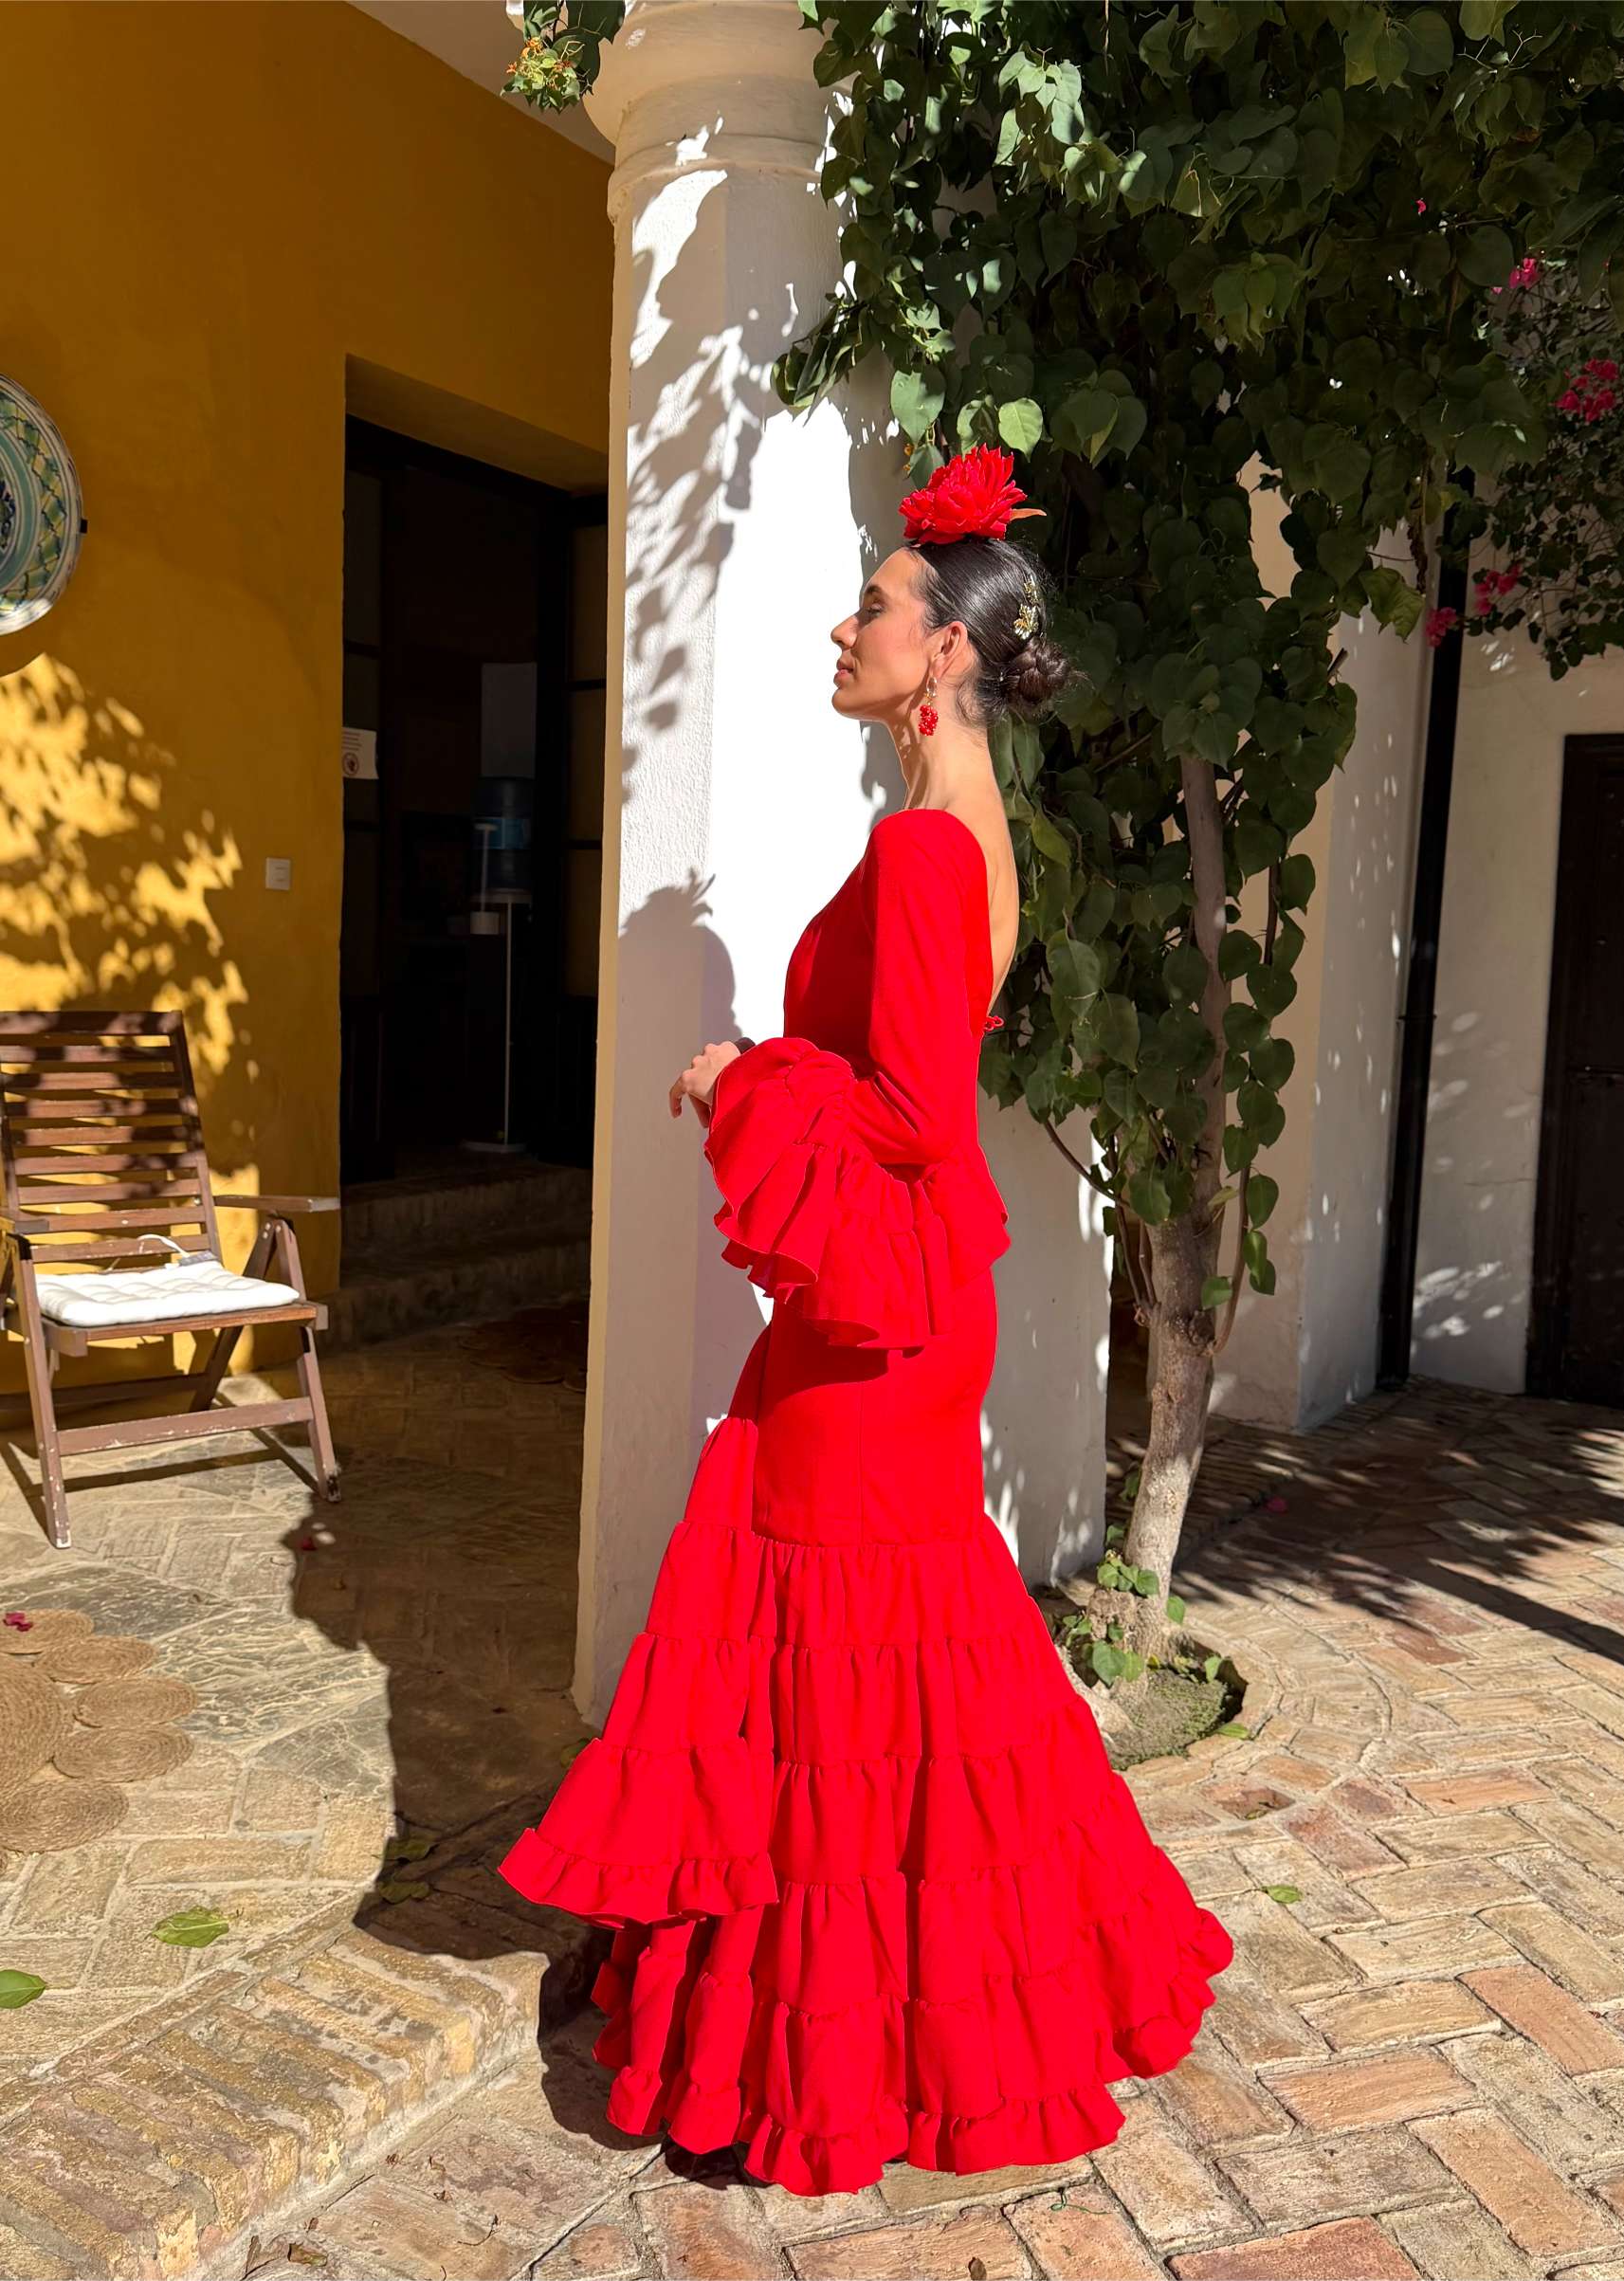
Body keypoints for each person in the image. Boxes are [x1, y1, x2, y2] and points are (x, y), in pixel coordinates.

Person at [496, 445, 1233, 2197]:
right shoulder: (976, 837)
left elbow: (905, 1110)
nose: (852, 626)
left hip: (880, 1332)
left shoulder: (922, 844)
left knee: (846, 1665)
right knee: (911, 1673)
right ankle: (938, 2007)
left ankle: (840, 2044)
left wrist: (747, 1070)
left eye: (881, 607)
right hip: (898, 1321)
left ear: (952, 650)